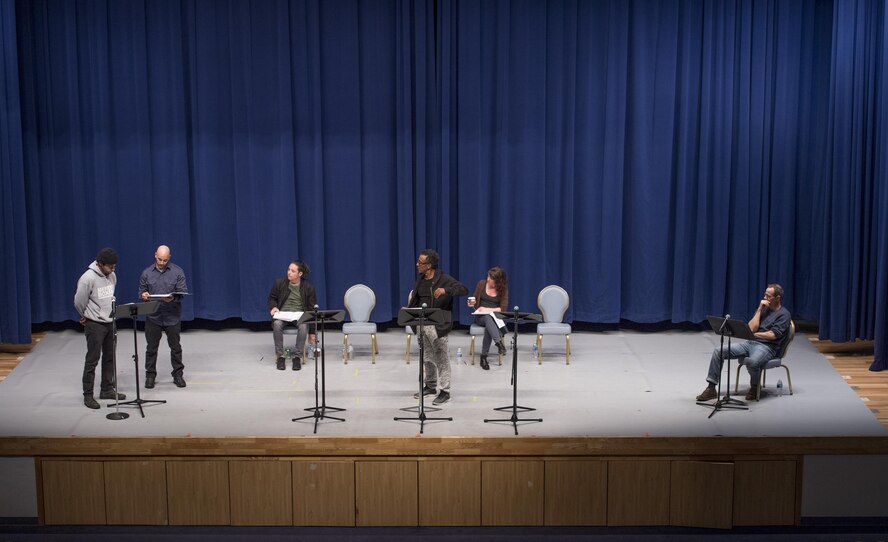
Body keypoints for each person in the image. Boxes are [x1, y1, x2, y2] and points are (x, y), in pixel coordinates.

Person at [696, 283, 792, 402]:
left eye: (769, 296)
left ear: (778, 298)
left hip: (767, 347)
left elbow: (773, 335)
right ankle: (711, 388)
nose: (765, 298)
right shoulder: (764, 309)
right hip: (750, 343)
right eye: (765, 295)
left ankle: (754, 387)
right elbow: (751, 328)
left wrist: (755, 335)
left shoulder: (784, 314)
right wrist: (760, 309)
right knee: (718, 351)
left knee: (752, 362)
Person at [409, 249, 468, 405]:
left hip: (438, 326)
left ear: (429, 265)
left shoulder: (443, 279)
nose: (417, 264)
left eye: (420, 263)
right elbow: (415, 301)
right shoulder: (421, 280)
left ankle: (445, 391)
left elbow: (463, 289)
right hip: (422, 326)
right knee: (427, 358)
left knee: (441, 359)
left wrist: (446, 290)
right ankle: (430, 386)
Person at [73, 247, 126, 409]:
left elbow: (109, 297)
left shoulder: (112, 276)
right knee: (92, 360)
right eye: (110, 266)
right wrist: (86, 315)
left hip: (110, 322)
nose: (113, 269)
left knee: (110, 357)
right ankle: (88, 395)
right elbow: (79, 301)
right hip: (94, 324)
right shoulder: (87, 278)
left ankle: (107, 389)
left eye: (114, 266)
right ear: (100, 264)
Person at [138, 245, 188, 389]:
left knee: (175, 347)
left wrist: (173, 298)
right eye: (160, 259)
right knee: (151, 348)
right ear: (155, 255)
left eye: (165, 260)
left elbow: (182, 292)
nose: (162, 262)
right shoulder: (146, 273)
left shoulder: (178, 271)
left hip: (172, 316)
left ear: (169, 258)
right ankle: (150, 375)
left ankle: (178, 374)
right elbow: (142, 292)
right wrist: (144, 296)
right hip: (153, 316)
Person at [268, 260, 316, 371]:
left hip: (299, 315)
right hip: (283, 314)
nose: (289, 272)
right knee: (277, 324)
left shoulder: (308, 288)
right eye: (288, 269)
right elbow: (272, 298)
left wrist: (312, 332)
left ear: (300, 274)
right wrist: (273, 307)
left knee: (303, 326)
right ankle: (280, 356)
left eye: (293, 271)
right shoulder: (279, 283)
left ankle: (297, 357)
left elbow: (311, 311)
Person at [467, 267, 509, 370]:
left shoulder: (503, 289)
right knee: (487, 317)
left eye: (491, 278)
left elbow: (502, 309)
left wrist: (487, 309)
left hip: (496, 319)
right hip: (481, 317)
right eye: (488, 276)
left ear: (497, 281)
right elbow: (475, 301)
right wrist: (471, 303)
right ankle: (499, 343)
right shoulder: (481, 284)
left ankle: (484, 357)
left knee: (489, 324)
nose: (488, 279)